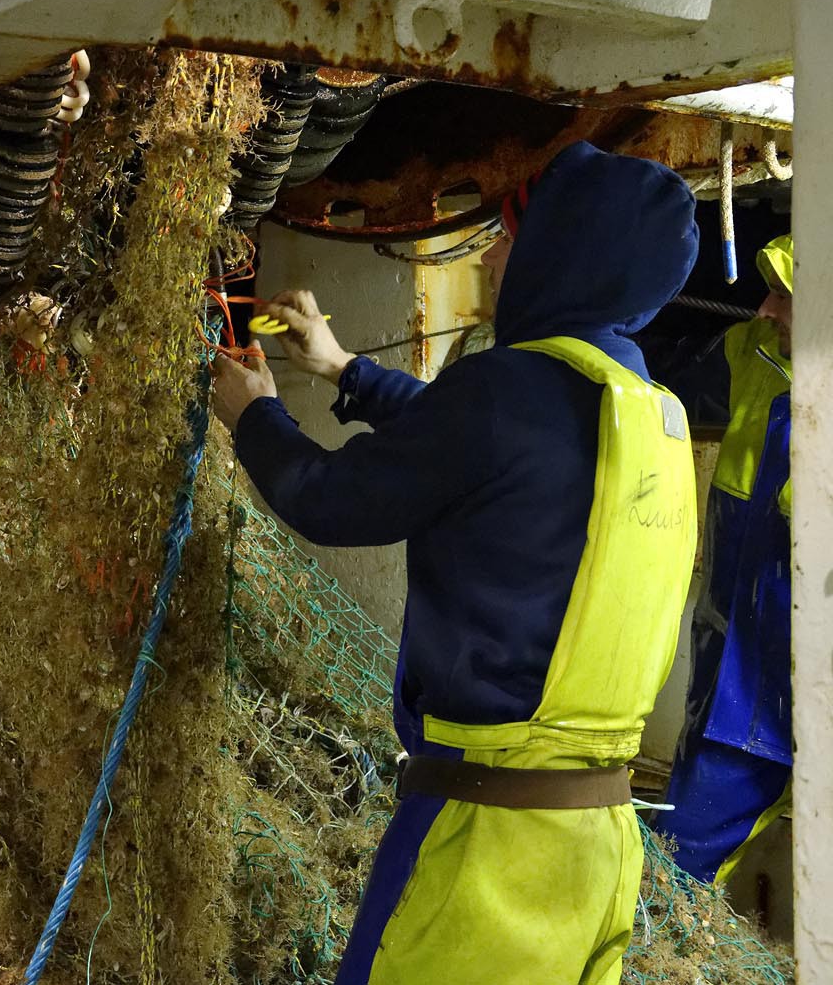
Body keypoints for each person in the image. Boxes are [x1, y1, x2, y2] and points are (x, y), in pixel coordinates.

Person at [210, 141, 699, 984]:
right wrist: (344, 370)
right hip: (598, 852)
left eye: (515, 234)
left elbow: (328, 499)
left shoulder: (506, 391)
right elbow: (473, 446)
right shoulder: (649, 413)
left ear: (562, 249)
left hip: (484, 838)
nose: (493, 251)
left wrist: (254, 415)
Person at [652, 235, 794, 886]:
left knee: (673, 871)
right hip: (731, 694)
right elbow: (666, 380)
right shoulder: (755, 353)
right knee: (676, 864)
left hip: (779, 704)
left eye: (787, 296)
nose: (764, 308)